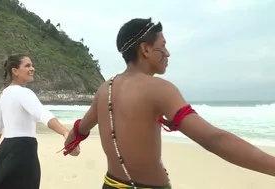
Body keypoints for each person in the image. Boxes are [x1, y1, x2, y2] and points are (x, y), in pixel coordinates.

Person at [61, 18, 275, 189]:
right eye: (163, 45)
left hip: (110, 184)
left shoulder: (104, 89)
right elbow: (212, 138)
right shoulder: (159, 88)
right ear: (145, 49)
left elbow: (81, 128)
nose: (168, 52)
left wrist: (71, 143)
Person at [0, 54, 79, 189]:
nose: (32, 68)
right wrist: (65, 132)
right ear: (15, 71)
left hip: (5, 151)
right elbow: (43, 114)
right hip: (23, 152)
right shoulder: (24, 93)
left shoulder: (4, 94)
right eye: (27, 65)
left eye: (32, 65)